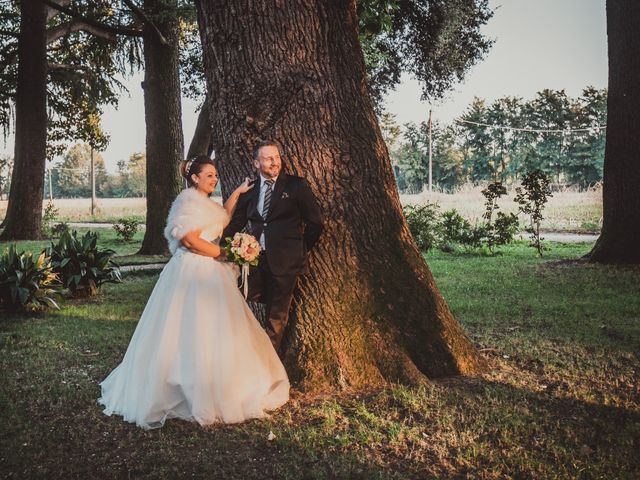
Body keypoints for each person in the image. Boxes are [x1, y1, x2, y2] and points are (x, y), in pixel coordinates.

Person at [98, 155, 289, 429]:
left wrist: (236, 194)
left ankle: (218, 383)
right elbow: (189, 239)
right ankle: (183, 386)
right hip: (194, 272)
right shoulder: (187, 201)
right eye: (209, 175)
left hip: (210, 270)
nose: (215, 179)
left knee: (216, 328)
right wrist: (225, 253)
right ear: (195, 177)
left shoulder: (204, 203)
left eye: (215, 175)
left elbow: (220, 219)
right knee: (189, 327)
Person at [223, 140, 324, 355]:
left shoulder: (296, 186)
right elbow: (235, 224)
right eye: (268, 158)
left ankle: (267, 367)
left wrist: (300, 249)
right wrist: (220, 245)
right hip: (255, 263)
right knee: (242, 306)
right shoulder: (249, 191)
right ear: (256, 163)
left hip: (286, 263)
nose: (274, 162)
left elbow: (316, 223)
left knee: (275, 317)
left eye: (277, 157)